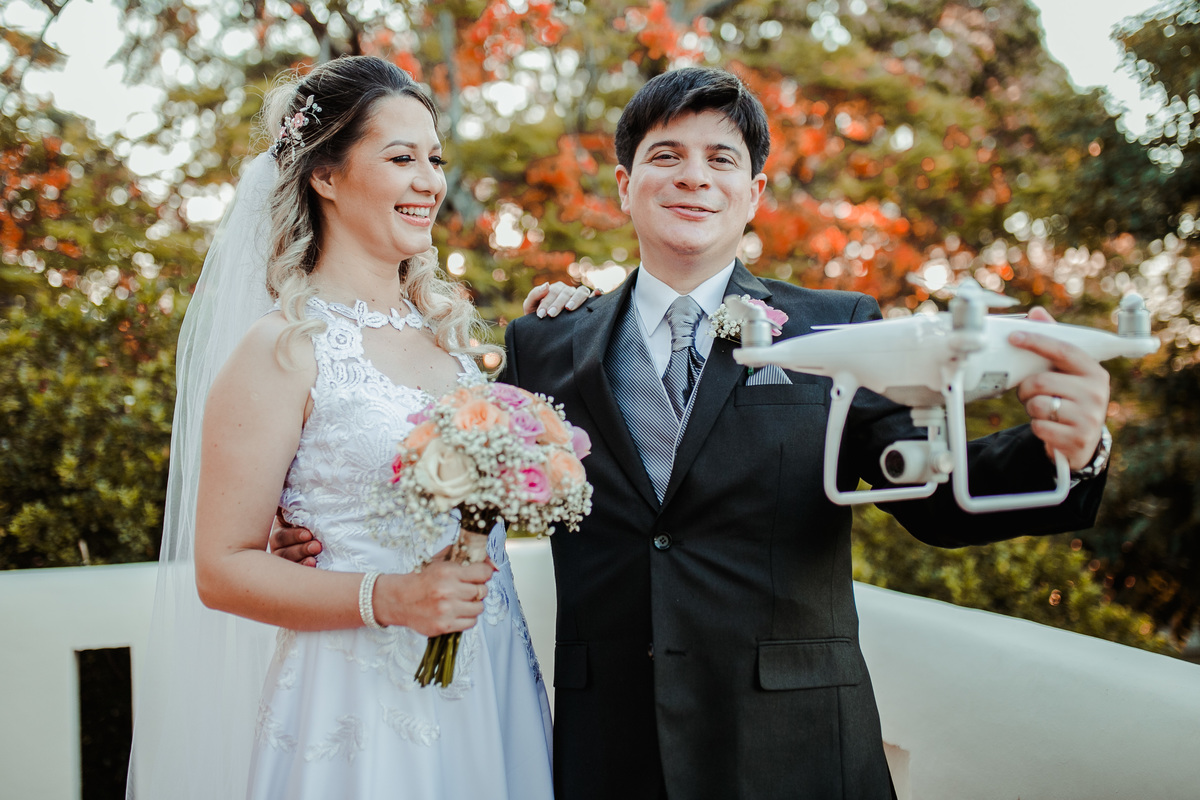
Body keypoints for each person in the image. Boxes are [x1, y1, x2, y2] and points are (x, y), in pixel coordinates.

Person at [274, 67, 1112, 798]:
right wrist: (306, 525)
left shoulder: (832, 331)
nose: (694, 178)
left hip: (795, 749)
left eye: (723, 160)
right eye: (666, 156)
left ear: (753, 194)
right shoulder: (545, 343)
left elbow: (929, 491)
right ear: (623, 185)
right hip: (609, 751)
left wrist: (1062, 452)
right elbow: (460, 478)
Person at [128, 55, 553, 800]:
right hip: (359, 703)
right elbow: (221, 568)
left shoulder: (450, 342)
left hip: (488, 686)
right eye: (400, 158)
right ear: (325, 176)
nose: (429, 180)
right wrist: (387, 596)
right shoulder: (283, 348)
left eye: (433, 158)